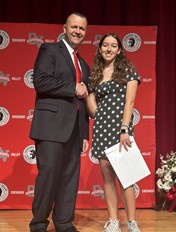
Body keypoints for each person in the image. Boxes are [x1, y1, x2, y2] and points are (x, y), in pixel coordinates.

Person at [29, 12, 90, 232]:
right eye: (74, 27)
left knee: (70, 177)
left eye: (82, 29)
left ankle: (64, 223)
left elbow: (82, 103)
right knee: (49, 175)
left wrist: (84, 134)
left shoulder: (83, 64)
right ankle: (38, 224)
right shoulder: (50, 50)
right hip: (51, 127)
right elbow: (41, 81)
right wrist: (73, 87)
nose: (77, 32)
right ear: (64, 27)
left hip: (74, 130)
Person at [85, 33, 141, 232]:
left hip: (120, 129)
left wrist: (125, 128)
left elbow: (130, 102)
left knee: (126, 177)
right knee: (108, 178)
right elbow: (93, 111)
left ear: (119, 49)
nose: (109, 49)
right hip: (101, 128)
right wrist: (87, 94)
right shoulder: (96, 75)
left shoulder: (127, 70)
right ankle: (114, 221)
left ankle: (132, 222)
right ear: (100, 49)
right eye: (105, 45)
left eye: (113, 45)